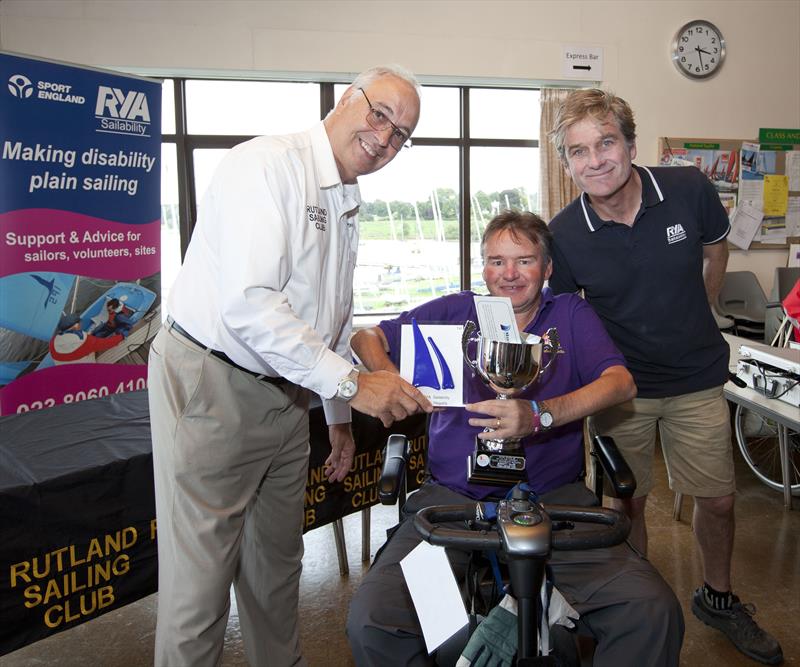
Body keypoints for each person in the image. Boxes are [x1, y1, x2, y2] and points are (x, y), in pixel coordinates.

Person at [147, 65, 433, 667]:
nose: (384, 138)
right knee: (199, 593)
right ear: (345, 99)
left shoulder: (346, 196)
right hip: (216, 382)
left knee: (277, 570)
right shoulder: (267, 165)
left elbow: (329, 314)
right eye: (378, 114)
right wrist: (353, 385)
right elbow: (251, 306)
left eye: (401, 133)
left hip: (289, 396)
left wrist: (335, 415)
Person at [346, 211, 683, 667]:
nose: (508, 274)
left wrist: (540, 415)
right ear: (483, 268)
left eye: (523, 260)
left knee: (651, 611)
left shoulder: (568, 314)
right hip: (451, 502)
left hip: (554, 501)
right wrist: (387, 378)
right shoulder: (453, 313)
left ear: (546, 269)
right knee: (376, 619)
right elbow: (365, 336)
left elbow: (620, 382)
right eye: (496, 261)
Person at [547, 88, 782, 665]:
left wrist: (702, 306)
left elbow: (716, 246)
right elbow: (567, 315)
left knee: (719, 500)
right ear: (566, 163)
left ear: (629, 143)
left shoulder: (686, 189)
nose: (596, 160)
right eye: (579, 151)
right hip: (620, 387)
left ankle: (718, 598)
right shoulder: (564, 233)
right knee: (626, 506)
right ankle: (636, 606)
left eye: (606, 142)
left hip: (695, 377)